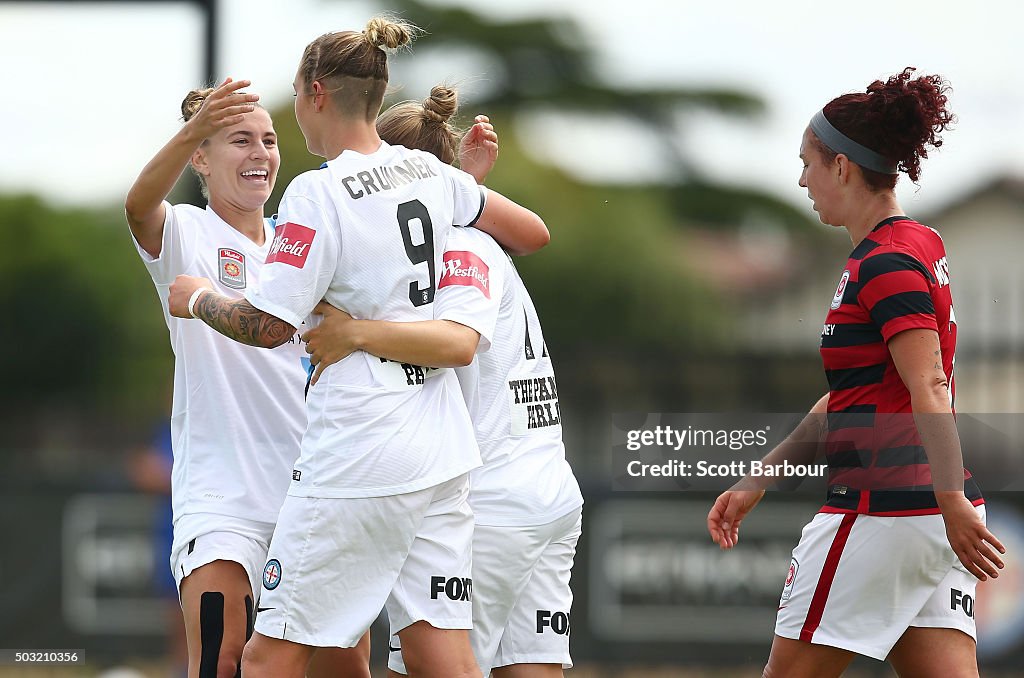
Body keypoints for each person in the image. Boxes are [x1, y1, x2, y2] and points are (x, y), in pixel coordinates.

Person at [165, 18, 549, 678]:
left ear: (317, 93)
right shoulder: (429, 171)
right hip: (442, 448)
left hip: (360, 447)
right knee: (441, 654)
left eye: (294, 94)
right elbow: (529, 231)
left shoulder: (317, 190)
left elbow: (269, 327)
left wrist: (198, 298)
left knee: (267, 656)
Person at [706, 67, 1006, 678]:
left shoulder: (886, 261)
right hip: (929, 520)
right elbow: (854, 397)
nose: (802, 179)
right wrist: (759, 478)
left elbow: (929, 384)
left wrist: (947, 498)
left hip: (881, 512)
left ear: (842, 167)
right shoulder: (918, 244)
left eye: (807, 163)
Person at [303, 85, 584, 678]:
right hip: (547, 491)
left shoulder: (457, 248)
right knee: (528, 667)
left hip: (493, 502)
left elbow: (456, 346)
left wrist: (354, 333)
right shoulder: (475, 238)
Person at [125, 79, 370, 678]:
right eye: (239, 140)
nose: (260, 152)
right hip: (222, 498)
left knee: (342, 668)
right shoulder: (186, 232)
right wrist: (189, 128)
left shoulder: (302, 240)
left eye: (268, 139)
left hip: (311, 490)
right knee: (219, 655)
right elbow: (137, 206)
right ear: (200, 159)